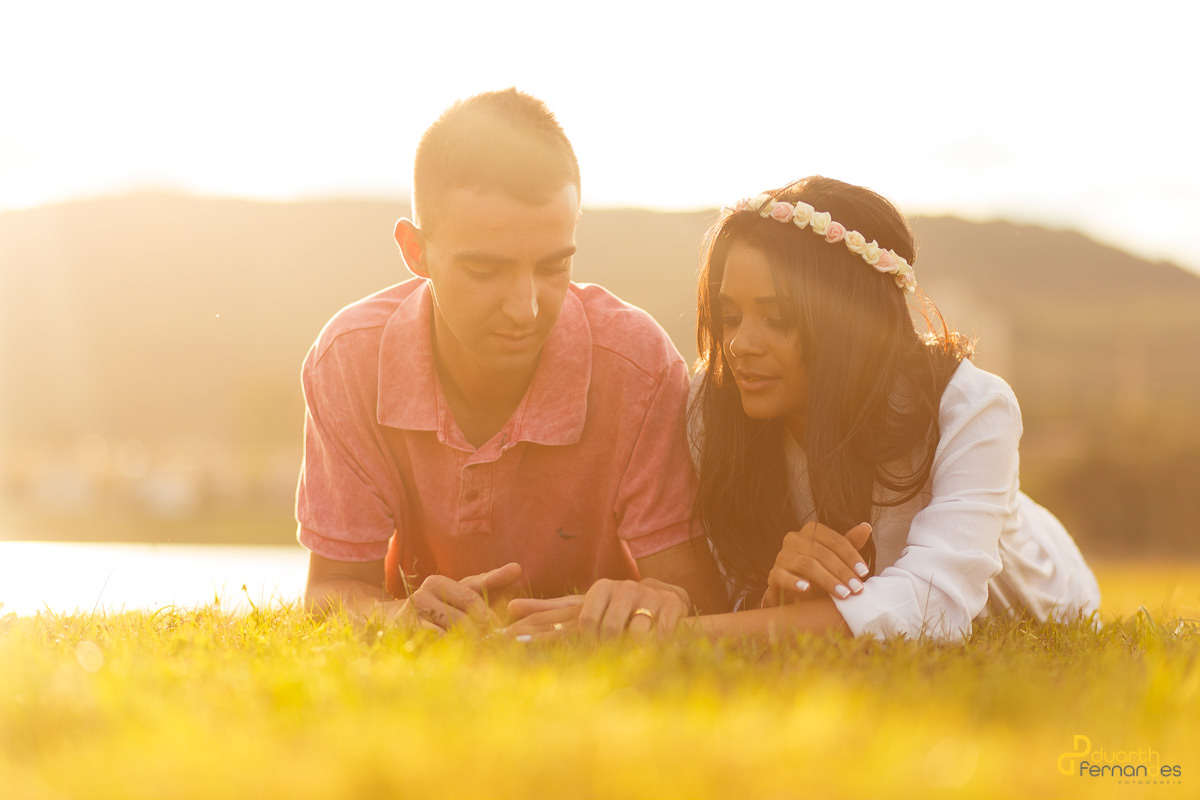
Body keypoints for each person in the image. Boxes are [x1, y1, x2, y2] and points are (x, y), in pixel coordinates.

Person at [296, 88, 723, 635]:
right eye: (485, 270)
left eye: (552, 266)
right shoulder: (349, 360)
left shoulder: (637, 366)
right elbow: (330, 587)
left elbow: (695, 593)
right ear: (415, 251)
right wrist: (392, 616)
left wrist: (652, 601)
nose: (525, 307)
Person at [680, 176, 1101, 639]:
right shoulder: (713, 406)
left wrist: (671, 637)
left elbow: (933, 608)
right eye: (730, 317)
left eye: (778, 319)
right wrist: (779, 596)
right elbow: (738, 592)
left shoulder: (971, 407)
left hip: (1043, 600)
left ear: (849, 318)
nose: (739, 344)